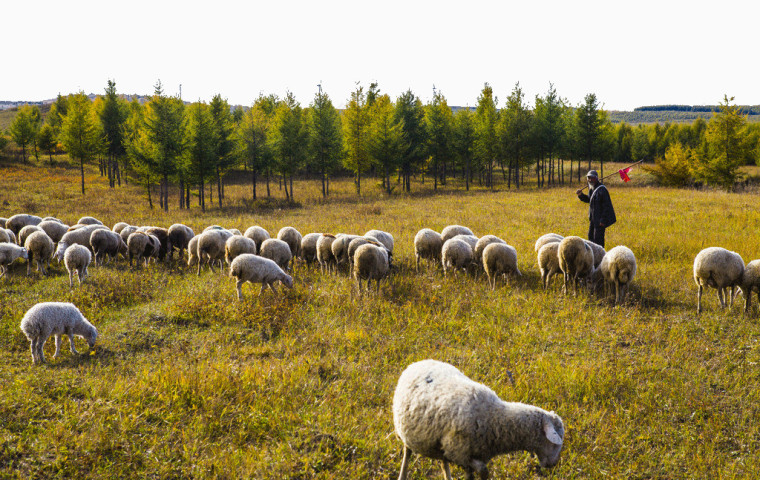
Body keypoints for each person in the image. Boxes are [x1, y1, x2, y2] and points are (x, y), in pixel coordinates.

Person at [576, 170, 616, 247]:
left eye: (592, 178)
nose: (590, 180)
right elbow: (589, 199)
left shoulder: (602, 189)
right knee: (590, 238)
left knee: (598, 240)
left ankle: (600, 257)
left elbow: (607, 206)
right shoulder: (591, 188)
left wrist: (603, 220)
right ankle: (593, 257)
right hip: (593, 219)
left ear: (597, 178)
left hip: (600, 220)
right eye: (589, 178)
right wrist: (580, 195)